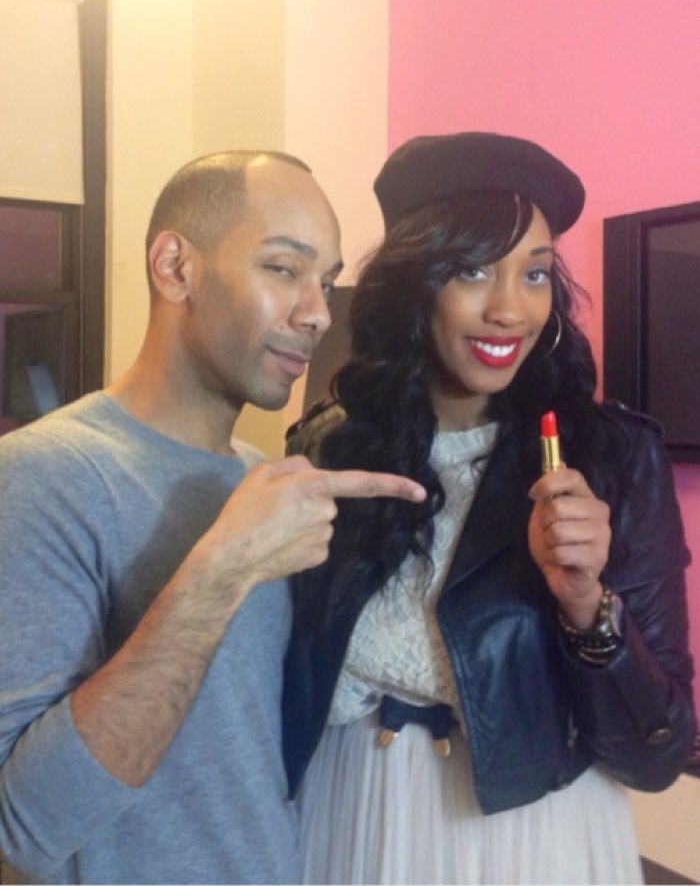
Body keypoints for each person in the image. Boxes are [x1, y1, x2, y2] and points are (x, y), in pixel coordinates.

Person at [0, 150, 426, 885]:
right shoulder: (46, 475)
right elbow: (28, 828)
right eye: (284, 269)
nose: (318, 313)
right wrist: (224, 568)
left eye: (325, 282)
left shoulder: (266, 483)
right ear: (176, 268)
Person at [283, 132, 697, 885]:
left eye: (534, 273)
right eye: (472, 269)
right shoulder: (329, 447)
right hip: (349, 812)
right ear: (413, 283)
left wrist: (585, 602)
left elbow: (656, 756)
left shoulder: (610, 459)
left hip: (529, 835)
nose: (510, 310)